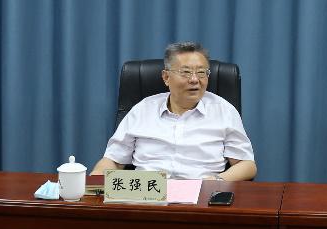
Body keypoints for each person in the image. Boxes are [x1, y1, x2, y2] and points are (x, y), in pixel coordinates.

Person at [94, 41, 256, 181]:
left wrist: (217, 181)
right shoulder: (143, 109)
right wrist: (94, 181)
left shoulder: (224, 111)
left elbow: (246, 164)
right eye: (185, 72)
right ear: (166, 77)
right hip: (147, 195)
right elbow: (113, 161)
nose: (195, 80)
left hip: (201, 194)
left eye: (201, 73)